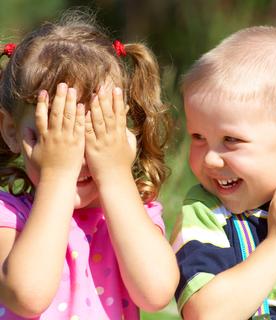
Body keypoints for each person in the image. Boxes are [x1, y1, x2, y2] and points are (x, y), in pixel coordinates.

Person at [0, 10, 179, 320]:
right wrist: (57, 177)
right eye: (55, 134)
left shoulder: (130, 216)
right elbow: (28, 296)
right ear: (11, 131)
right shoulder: (9, 217)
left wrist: (114, 174)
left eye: (95, 132)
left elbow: (157, 293)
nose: (75, 155)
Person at [170, 26, 276, 319]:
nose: (211, 159)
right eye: (198, 137)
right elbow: (204, 314)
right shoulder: (204, 212)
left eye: (231, 140)